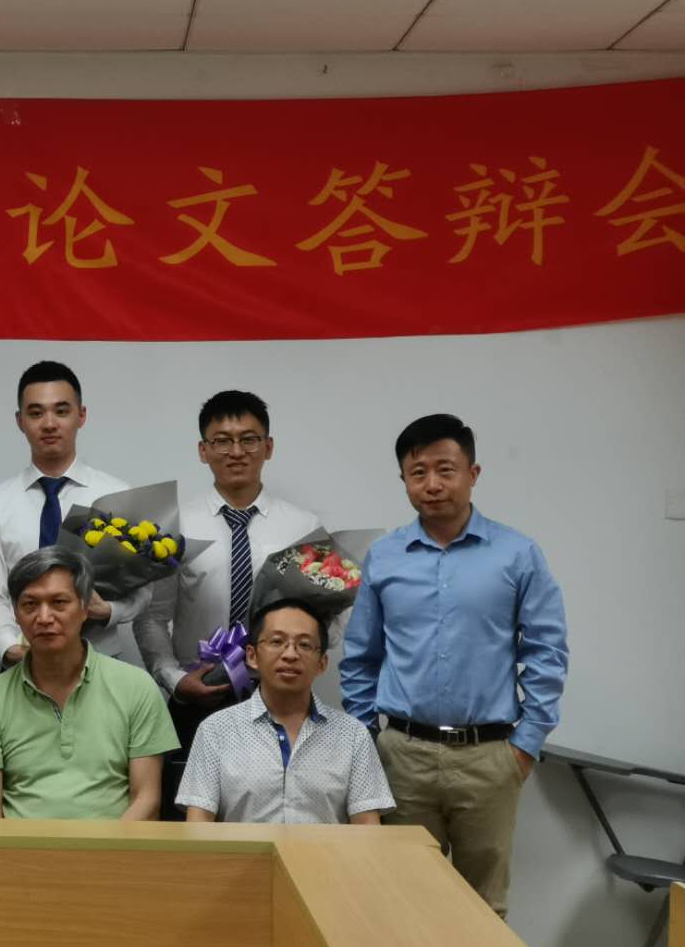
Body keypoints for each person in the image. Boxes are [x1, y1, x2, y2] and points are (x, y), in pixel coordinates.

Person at [339, 413, 568, 918]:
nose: (433, 484)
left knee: (482, 909)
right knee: (401, 902)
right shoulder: (385, 556)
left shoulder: (517, 554)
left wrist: (524, 746)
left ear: (473, 473)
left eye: (446, 470)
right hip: (402, 757)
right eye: (418, 472)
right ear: (404, 480)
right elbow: (360, 657)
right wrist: (366, 738)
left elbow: (547, 653)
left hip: (489, 758)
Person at [135, 390, 320, 818]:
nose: (236, 451)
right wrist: (174, 680)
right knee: (189, 826)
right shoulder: (173, 528)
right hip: (197, 700)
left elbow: (324, 617)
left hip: (280, 701)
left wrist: (298, 667)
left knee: (276, 817)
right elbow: (151, 616)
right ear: (203, 451)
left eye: (249, 439)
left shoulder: (303, 528)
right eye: (222, 440)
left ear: (268, 447)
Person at [0, 547, 178, 820]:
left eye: (59, 602)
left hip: (113, 845)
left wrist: (102, 848)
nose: (44, 617)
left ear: (85, 608)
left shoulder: (137, 688)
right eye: (30, 605)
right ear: (15, 613)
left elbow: (147, 800)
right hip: (19, 846)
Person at [0, 361, 145, 667]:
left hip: (100, 662)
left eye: (61, 411)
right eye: (36, 413)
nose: (49, 423)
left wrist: (109, 611)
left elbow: (143, 588)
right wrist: (10, 648)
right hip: (20, 663)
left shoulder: (116, 495)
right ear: (20, 421)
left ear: (81, 416)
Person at [177, 598, 393, 824]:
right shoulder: (216, 730)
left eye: (305, 645)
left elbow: (367, 827)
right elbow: (198, 824)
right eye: (277, 641)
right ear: (252, 656)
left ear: (322, 663)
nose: (290, 654)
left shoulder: (353, 735)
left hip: (323, 849)